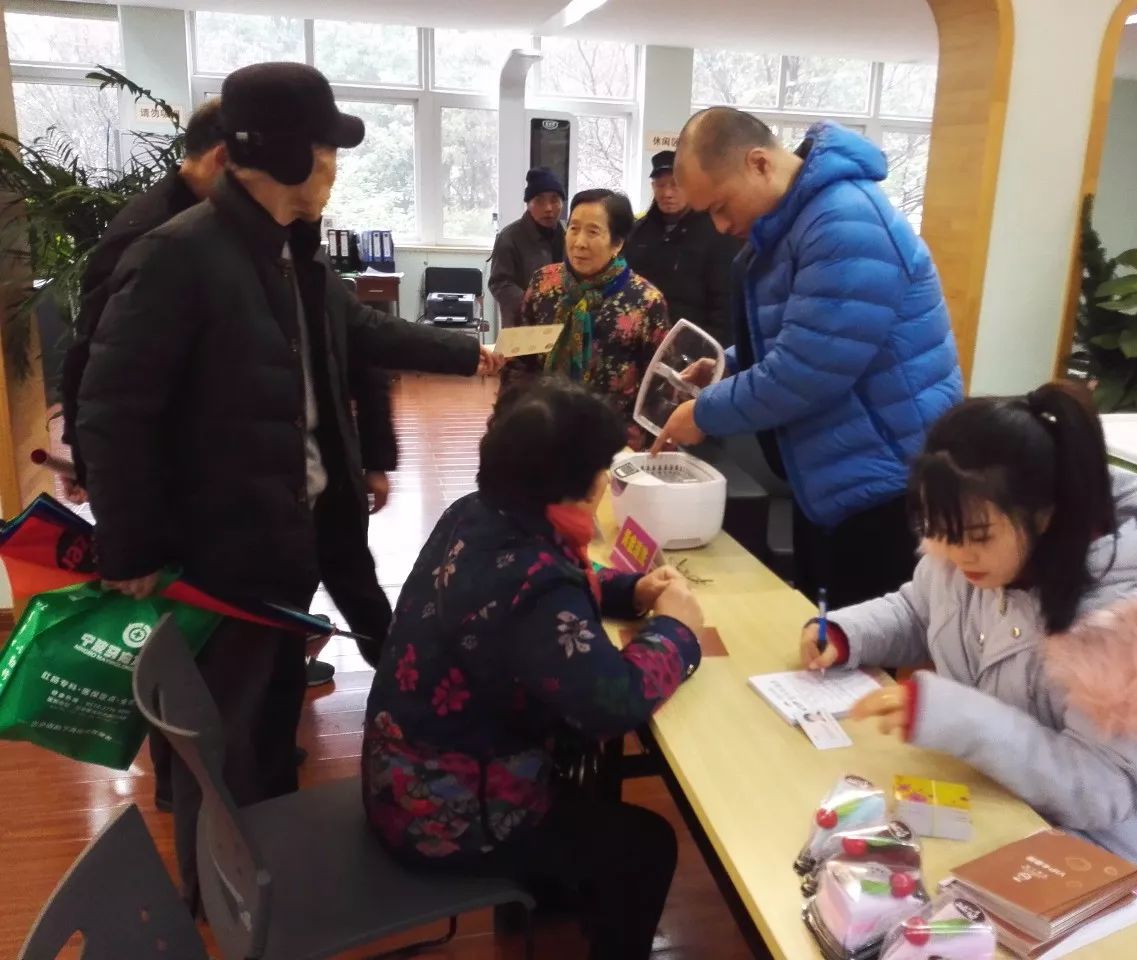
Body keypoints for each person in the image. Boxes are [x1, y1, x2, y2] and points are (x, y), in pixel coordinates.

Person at [76, 61, 502, 908]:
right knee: (220, 738)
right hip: (219, 550)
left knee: (271, 721)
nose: (335, 167)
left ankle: (264, 883)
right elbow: (111, 410)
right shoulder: (180, 255)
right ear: (280, 153)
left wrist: (471, 354)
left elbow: (363, 331)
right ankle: (219, 902)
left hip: (293, 532)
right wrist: (129, 549)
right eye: (325, 149)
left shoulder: (290, 253)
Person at [802, 382, 1137, 948]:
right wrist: (846, 633)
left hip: (1113, 884)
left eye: (976, 537)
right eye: (938, 531)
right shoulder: (972, 548)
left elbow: (1098, 790)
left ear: (1047, 514)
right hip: (997, 821)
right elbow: (919, 608)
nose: (954, 553)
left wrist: (956, 718)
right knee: (851, 896)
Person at [363, 379, 703, 960]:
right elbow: (613, 704)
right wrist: (679, 630)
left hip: (403, 775)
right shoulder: (535, 582)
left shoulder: (478, 514)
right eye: (604, 467)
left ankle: (551, 891)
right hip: (441, 813)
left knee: (584, 789)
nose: (608, 478)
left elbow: (550, 589)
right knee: (646, 848)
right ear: (578, 484)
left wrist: (633, 591)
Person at [654, 108, 963, 608]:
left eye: (721, 206)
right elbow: (797, 335)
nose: (721, 225)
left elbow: (807, 370)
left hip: (887, 484)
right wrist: (728, 365)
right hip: (833, 476)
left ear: (759, 163)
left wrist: (704, 412)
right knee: (823, 629)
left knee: (865, 640)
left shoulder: (845, 222)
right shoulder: (796, 223)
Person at [503, 189, 670, 450]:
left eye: (593, 232)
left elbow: (659, 387)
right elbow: (518, 362)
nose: (579, 242)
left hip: (614, 442)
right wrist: (508, 421)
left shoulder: (645, 300)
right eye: (574, 228)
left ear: (617, 243)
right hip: (544, 431)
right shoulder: (543, 284)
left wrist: (643, 443)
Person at [623, 149, 738, 345]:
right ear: (653, 187)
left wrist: (708, 350)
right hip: (640, 342)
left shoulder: (716, 232)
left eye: (675, 184)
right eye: (660, 185)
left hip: (694, 346)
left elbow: (725, 305)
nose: (667, 193)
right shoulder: (638, 232)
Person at [488, 167, 567, 326]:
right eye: (539, 201)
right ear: (528, 204)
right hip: (523, 325)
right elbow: (498, 283)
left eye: (554, 200)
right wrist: (528, 300)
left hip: (562, 323)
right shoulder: (509, 237)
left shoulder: (569, 234)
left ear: (562, 203)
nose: (548, 208)